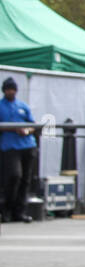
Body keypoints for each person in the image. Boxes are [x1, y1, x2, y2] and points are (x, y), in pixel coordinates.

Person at [1, 77, 38, 223]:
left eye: (13, 89)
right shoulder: (1, 106)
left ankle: (20, 211)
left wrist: (27, 131)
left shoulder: (22, 106)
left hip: (27, 145)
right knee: (14, 176)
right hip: (10, 146)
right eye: (8, 89)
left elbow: (33, 124)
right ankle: (7, 209)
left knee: (25, 180)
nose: (11, 92)